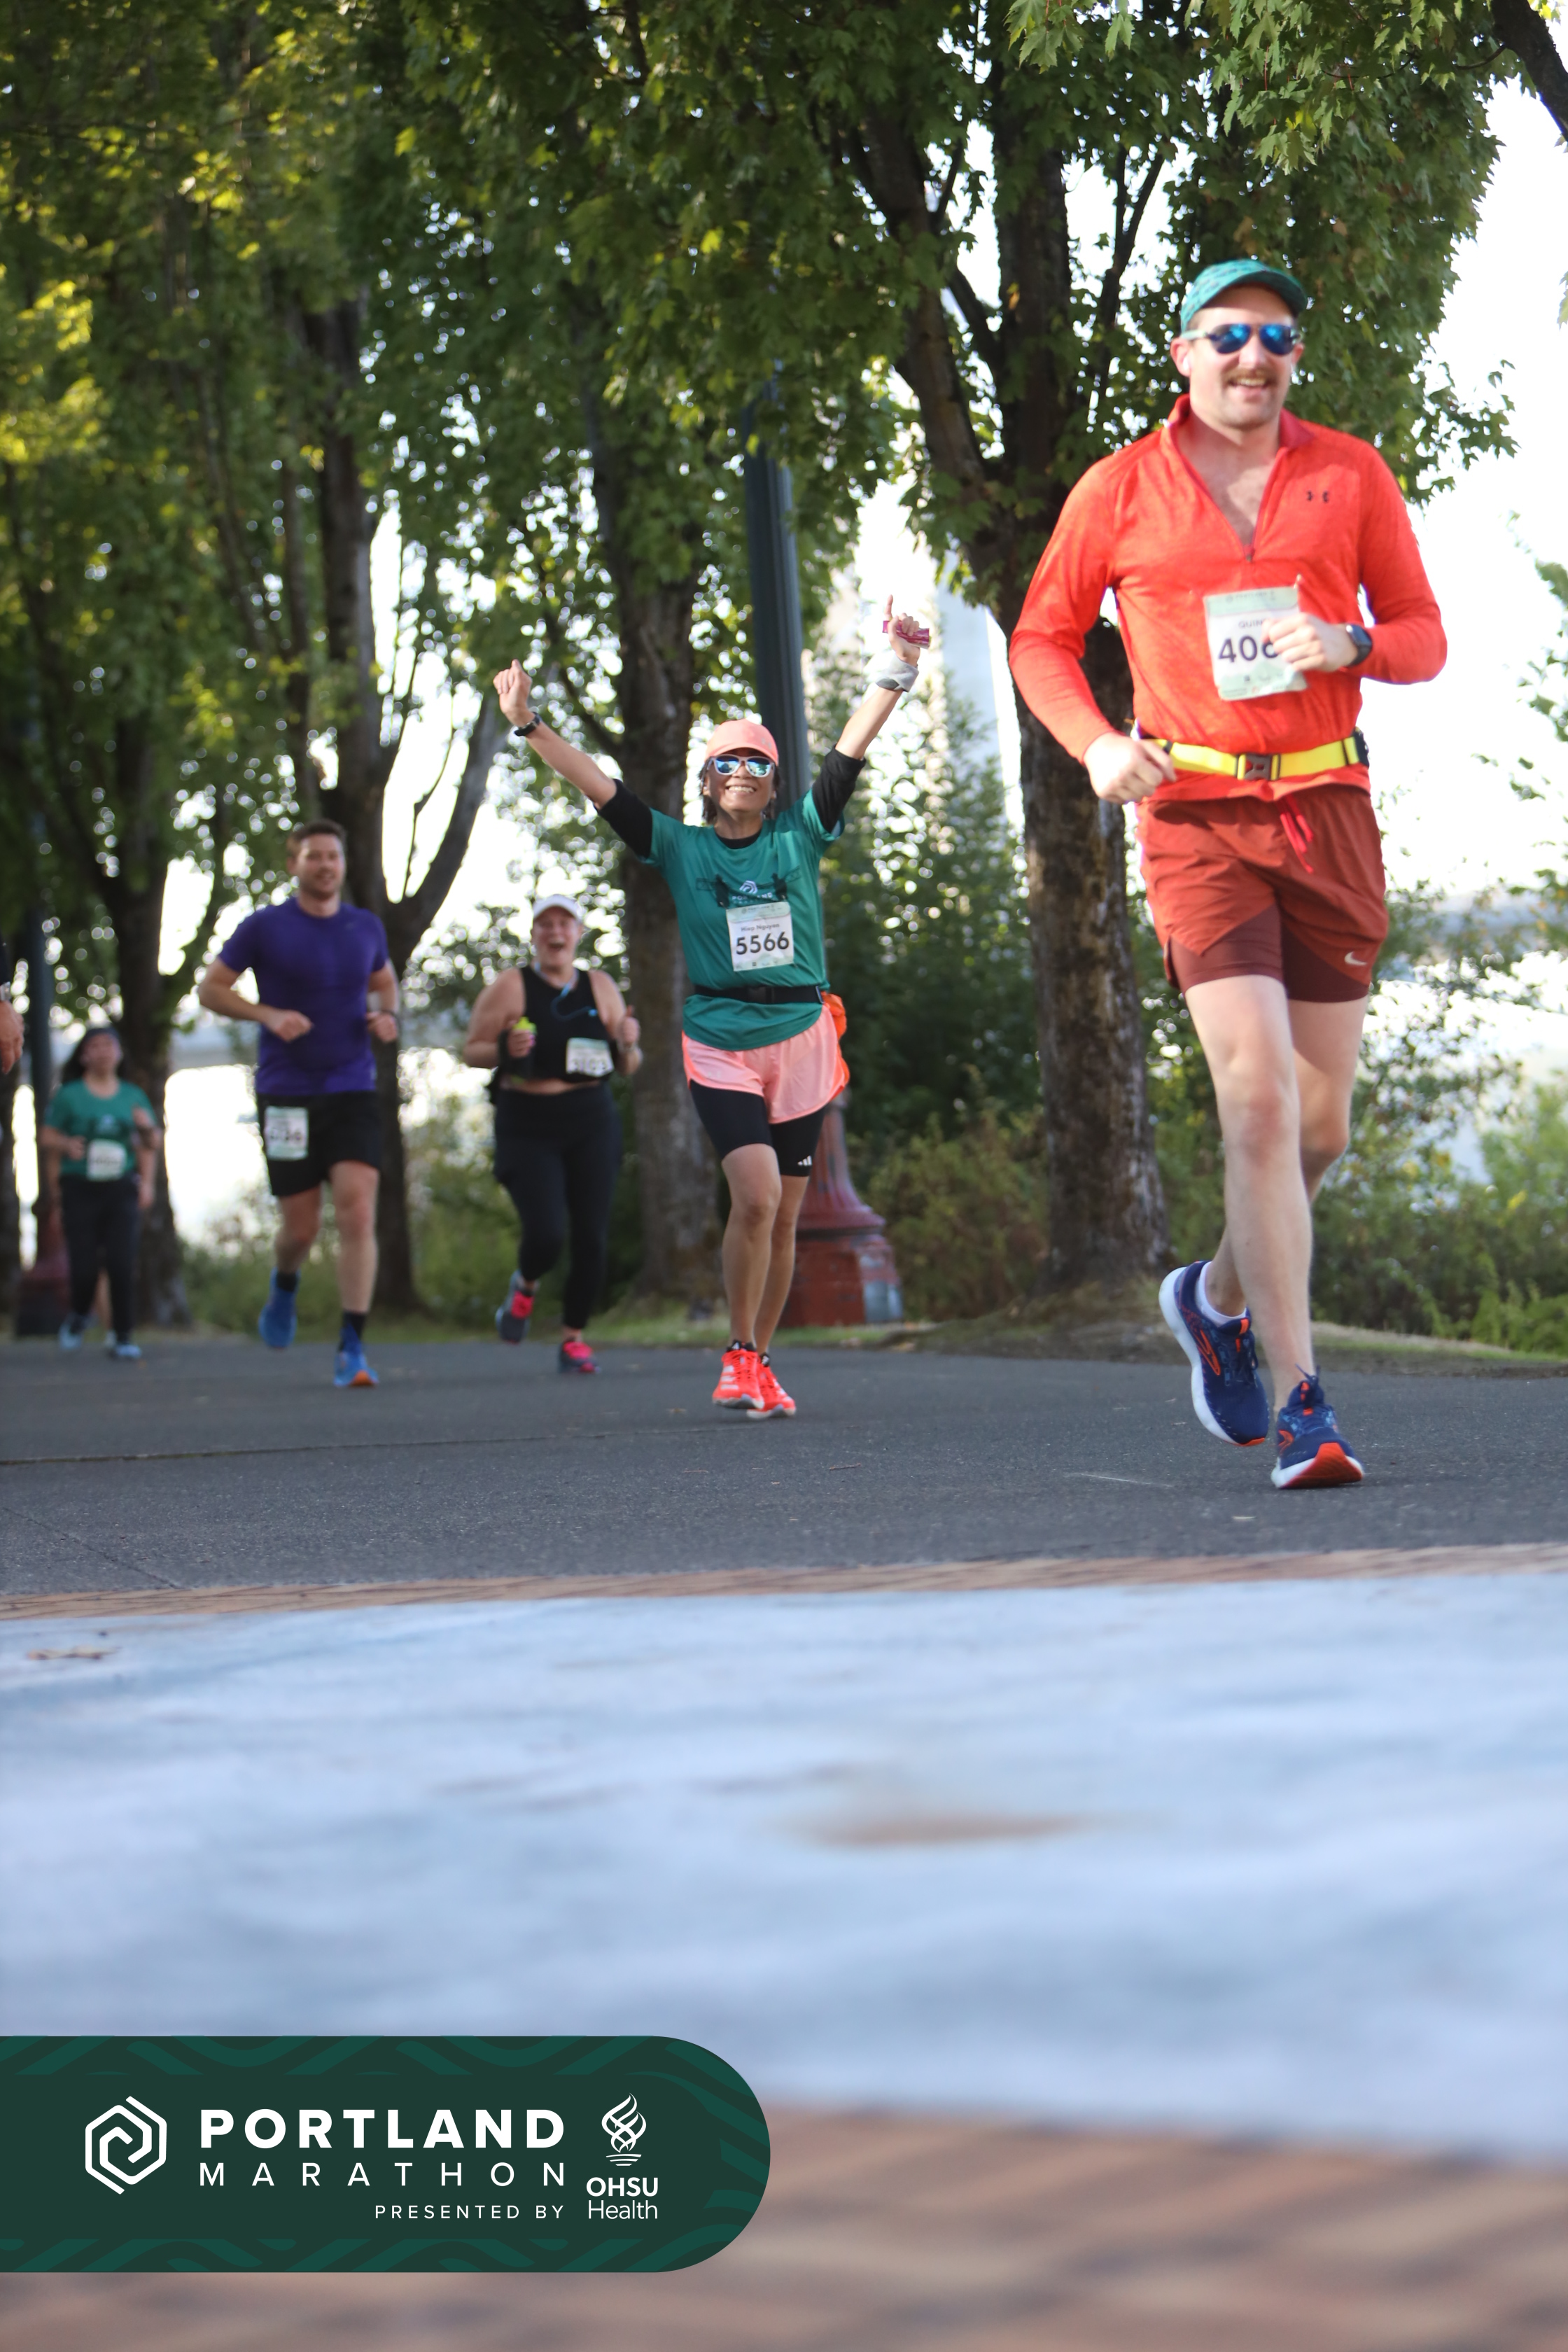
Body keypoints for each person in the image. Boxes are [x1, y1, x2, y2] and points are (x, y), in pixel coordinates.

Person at [1009, 258, 1445, 1489]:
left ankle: (1212, 1299)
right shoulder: (1120, 487)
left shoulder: (1349, 473)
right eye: (1230, 334)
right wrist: (1097, 744)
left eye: (1278, 337)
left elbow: (1424, 635)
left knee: (1319, 1128)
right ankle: (1304, 1404)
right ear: (1185, 354)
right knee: (1254, 1105)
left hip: (1329, 809)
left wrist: (1353, 641)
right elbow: (1042, 637)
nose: (1256, 355)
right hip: (1195, 819)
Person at [492, 598, 925, 1418]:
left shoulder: (801, 833)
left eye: (757, 762)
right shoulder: (678, 846)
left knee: (784, 1217)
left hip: (801, 1038)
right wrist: (529, 724)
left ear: (773, 784)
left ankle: (760, 1361)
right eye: (726, 760)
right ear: (705, 780)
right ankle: (734, 1351)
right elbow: (596, 784)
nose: (741, 770)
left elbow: (850, 747)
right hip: (721, 1038)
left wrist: (896, 669)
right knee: (754, 1196)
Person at [197, 817, 399, 1390]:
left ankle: (352, 1345)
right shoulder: (264, 927)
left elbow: (385, 982)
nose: (325, 865)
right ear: (294, 865)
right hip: (286, 1091)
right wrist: (267, 1014)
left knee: (358, 1211)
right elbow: (211, 989)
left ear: (343, 864)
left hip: (352, 1086)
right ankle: (284, 1282)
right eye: (313, 856)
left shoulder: (364, 926)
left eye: (333, 856)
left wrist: (388, 1016)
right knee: (302, 1230)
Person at [463, 892, 642, 1373]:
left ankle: (573, 1338)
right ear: (534, 934)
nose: (556, 933)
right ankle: (525, 1283)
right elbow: (472, 1050)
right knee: (546, 1233)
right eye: (546, 925)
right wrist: (505, 1047)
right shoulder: (512, 986)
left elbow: (627, 1064)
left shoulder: (600, 987)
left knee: (591, 1237)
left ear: (578, 934)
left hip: (591, 1118)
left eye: (565, 924)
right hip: (528, 1121)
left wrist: (629, 1044)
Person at [39, 1025, 161, 1360]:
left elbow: (151, 1143)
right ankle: (80, 1313)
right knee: (84, 1265)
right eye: (95, 1046)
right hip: (80, 1186)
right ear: (84, 1055)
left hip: (120, 1187)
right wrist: (66, 1143)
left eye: (109, 1044)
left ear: (120, 1053)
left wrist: (147, 1181)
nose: (103, 1051)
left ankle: (122, 1335)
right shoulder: (69, 1095)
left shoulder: (133, 1095)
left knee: (122, 1262)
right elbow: (46, 1137)